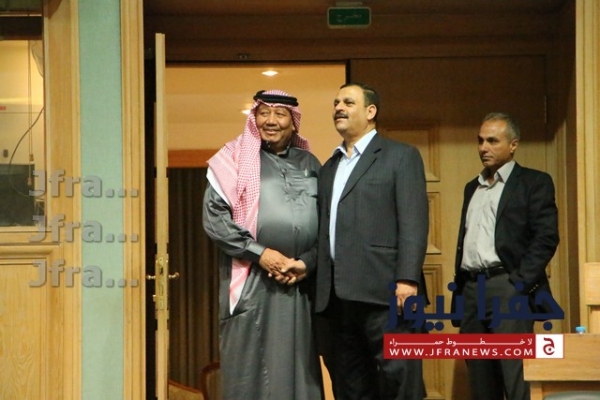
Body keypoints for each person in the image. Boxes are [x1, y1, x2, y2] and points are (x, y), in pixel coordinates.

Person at [202, 89, 324, 399]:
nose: (271, 120)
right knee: (253, 370)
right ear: (254, 118)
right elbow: (216, 221)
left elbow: (328, 226)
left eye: (280, 114)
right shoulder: (232, 160)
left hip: (300, 283)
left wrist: (307, 262)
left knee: (300, 370)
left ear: (293, 123)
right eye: (263, 113)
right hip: (253, 280)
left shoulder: (310, 163)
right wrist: (262, 254)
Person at [314, 82, 429, 400]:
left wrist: (407, 279)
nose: (339, 108)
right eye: (336, 102)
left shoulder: (400, 156)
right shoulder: (329, 167)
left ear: (371, 111)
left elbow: (413, 221)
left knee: (400, 383)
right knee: (350, 386)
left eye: (348, 102)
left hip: (388, 295)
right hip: (337, 301)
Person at [451, 112, 560, 400]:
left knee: (516, 377)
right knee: (480, 380)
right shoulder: (472, 187)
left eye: (492, 141)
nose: (483, 148)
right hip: (471, 290)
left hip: (508, 287)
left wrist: (519, 283)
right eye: (480, 141)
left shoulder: (533, 183)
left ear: (513, 145)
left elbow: (546, 237)